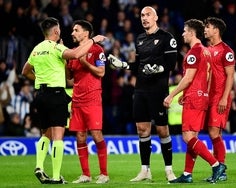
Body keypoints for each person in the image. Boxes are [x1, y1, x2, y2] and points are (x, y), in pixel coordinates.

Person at [21, 17, 106, 184]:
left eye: (76, 30)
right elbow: (74, 58)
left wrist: (41, 78)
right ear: (56, 31)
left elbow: (25, 71)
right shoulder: (59, 48)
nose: (71, 32)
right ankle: (56, 176)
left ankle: (39, 166)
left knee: (46, 133)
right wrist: (94, 40)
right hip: (58, 95)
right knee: (59, 136)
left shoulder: (37, 49)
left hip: (41, 95)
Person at [108, 6, 177, 182]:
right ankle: (145, 170)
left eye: (148, 15)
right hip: (140, 90)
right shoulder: (139, 39)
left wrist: (158, 68)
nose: (144, 18)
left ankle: (169, 170)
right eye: (142, 16)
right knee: (142, 129)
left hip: (159, 90)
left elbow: (171, 64)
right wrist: (123, 65)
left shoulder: (166, 38)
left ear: (156, 18)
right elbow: (138, 65)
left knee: (162, 130)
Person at [163, 19, 227, 184]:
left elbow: (188, 77)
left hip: (194, 98)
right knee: (192, 137)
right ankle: (187, 174)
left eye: (184, 31)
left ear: (191, 33)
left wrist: (172, 95)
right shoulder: (205, 51)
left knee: (187, 137)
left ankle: (216, 164)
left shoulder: (194, 52)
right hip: (201, 96)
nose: (183, 34)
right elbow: (208, 76)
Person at [66, 20, 109, 184]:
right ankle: (86, 175)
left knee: (96, 134)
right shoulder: (73, 52)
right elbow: (70, 80)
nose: (72, 33)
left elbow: (101, 72)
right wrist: (65, 63)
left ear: (86, 33)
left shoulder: (97, 50)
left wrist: (85, 63)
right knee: (80, 137)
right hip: (77, 100)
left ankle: (104, 174)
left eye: (76, 30)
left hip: (92, 99)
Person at [203, 17, 236, 181]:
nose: (205, 29)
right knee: (214, 134)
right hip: (208, 97)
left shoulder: (226, 51)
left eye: (207, 27)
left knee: (214, 132)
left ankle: (220, 169)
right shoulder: (207, 49)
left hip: (219, 97)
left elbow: (230, 76)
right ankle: (219, 170)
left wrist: (224, 98)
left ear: (216, 30)